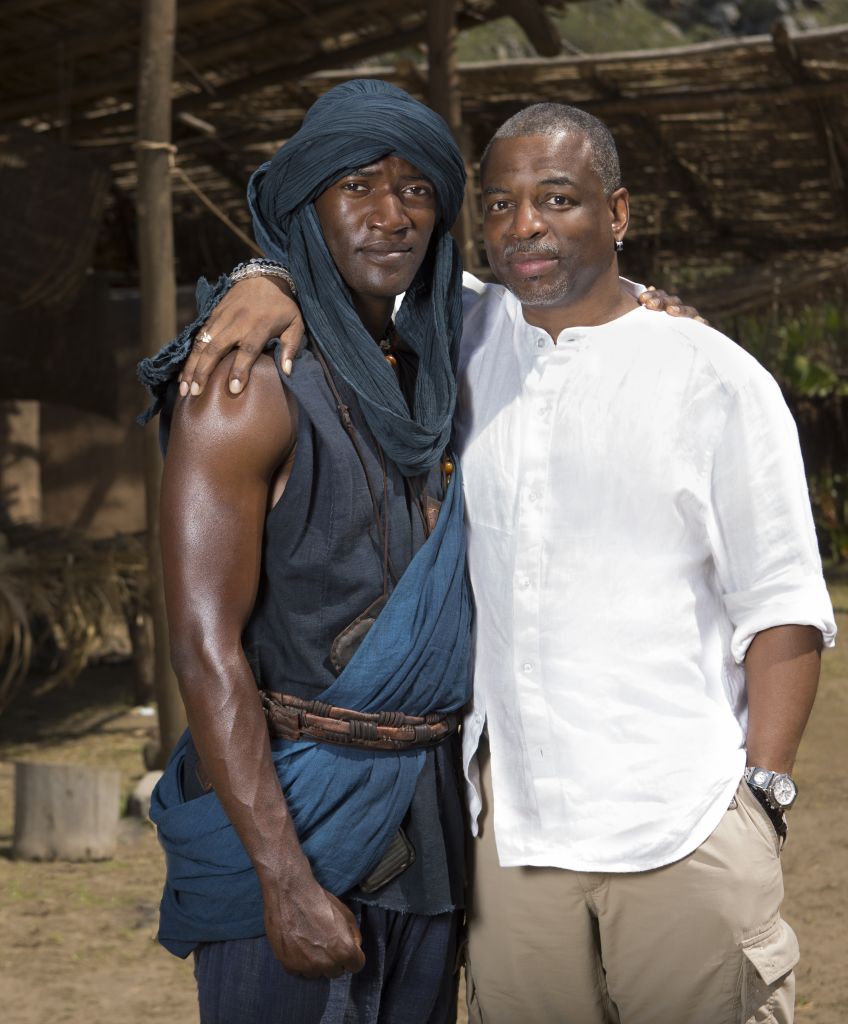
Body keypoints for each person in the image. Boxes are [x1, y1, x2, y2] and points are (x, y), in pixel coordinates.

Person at [166, 101, 825, 1024]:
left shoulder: (692, 377)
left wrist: (762, 797)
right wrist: (265, 272)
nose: (528, 228)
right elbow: (202, 645)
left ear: (618, 214)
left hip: (660, 824)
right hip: (481, 840)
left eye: (558, 199)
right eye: (506, 204)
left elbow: (785, 605)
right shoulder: (417, 351)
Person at [138, 79, 473, 1024]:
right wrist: (283, 879)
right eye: (358, 185)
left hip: (430, 828)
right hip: (296, 818)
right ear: (307, 205)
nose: (390, 215)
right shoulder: (244, 386)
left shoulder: (440, 367)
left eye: (416, 191)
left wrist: (648, 301)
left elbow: (564, 291)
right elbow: (206, 649)